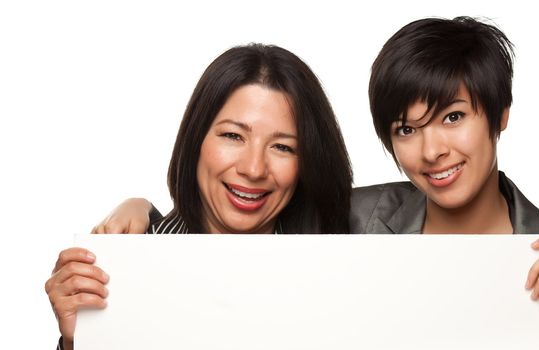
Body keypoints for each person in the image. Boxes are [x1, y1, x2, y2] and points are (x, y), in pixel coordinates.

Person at [90, 17, 539, 350]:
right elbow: (236, 233)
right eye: (407, 129)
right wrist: (147, 221)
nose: (433, 149)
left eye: (454, 117)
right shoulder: (346, 219)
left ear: (500, 114)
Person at [44, 43, 353, 350]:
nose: (254, 168)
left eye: (283, 147)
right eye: (233, 136)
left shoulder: (343, 271)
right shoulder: (121, 268)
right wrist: (79, 341)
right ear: (197, 140)